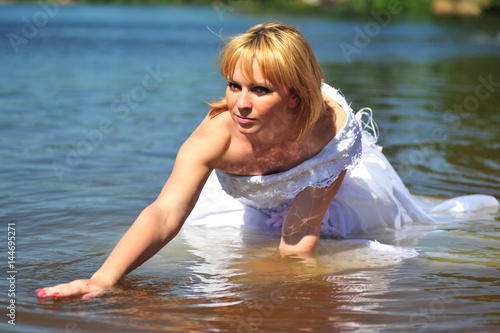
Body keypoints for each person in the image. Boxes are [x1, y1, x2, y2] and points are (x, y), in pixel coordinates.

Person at [35, 21, 442, 299]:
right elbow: (164, 213)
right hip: (251, 197)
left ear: (296, 96)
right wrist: (103, 280)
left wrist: (287, 300)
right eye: (234, 85)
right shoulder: (215, 138)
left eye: (261, 90)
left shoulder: (331, 134)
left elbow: (298, 241)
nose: (241, 105)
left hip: (327, 181)